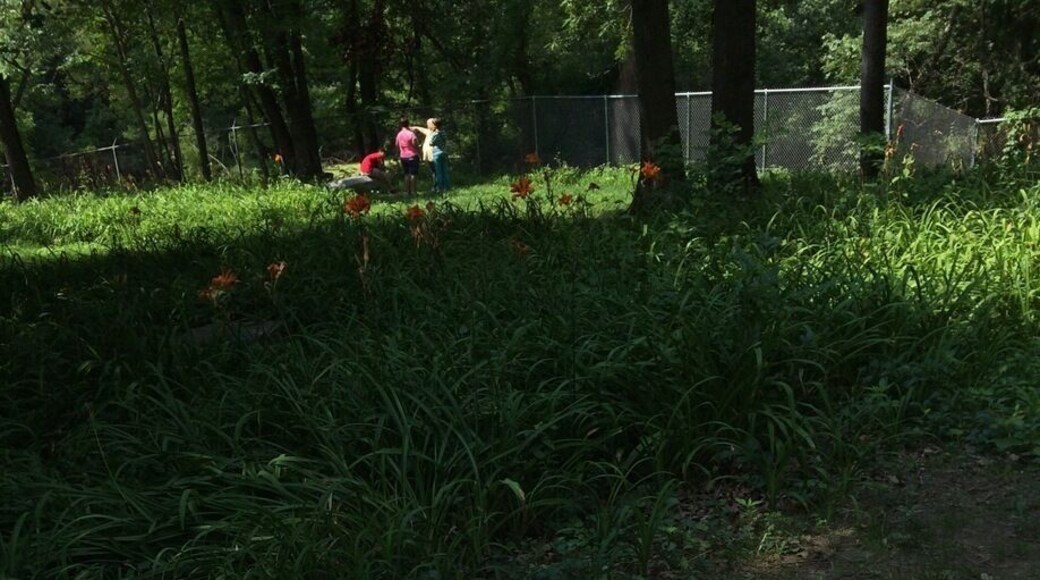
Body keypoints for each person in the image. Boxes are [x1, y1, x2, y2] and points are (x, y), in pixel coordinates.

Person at [412, 117, 450, 194]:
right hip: (443, 153)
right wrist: (416, 127)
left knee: (437, 172)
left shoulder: (434, 133)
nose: (427, 126)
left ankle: (439, 188)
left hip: (436, 154)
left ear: (434, 125)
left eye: (429, 124)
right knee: (443, 171)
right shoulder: (443, 132)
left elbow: (431, 143)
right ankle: (445, 187)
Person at [395, 118, 421, 196]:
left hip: (403, 156)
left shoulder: (399, 134)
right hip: (412, 155)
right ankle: (414, 192)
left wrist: (397, 153)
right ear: (408, 124)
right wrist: (419, 151)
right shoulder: (411, 134)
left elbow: (396, 145)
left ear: (400, 125)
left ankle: (407, 192)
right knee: (413, 174)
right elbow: (415, 144)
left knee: (406, 174)